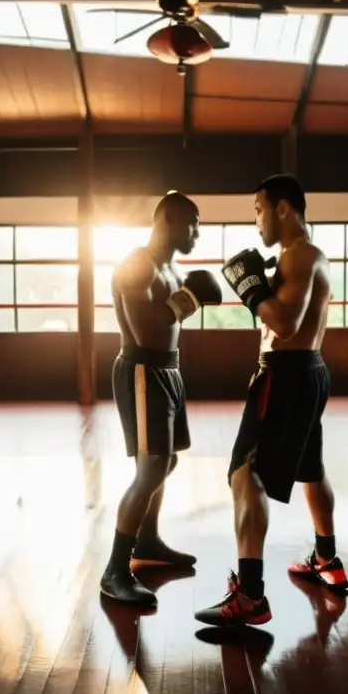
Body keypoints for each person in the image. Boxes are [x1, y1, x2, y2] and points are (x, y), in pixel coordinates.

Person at [195, 174, 348, 627]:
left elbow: (283, 324)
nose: (257, 219)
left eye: (259, 209)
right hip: (306, 371)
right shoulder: (298, 256)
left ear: (284, 208)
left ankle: (250, 594)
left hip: (287, 374)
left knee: (247, 475)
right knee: (310, 468)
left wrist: (253, 291)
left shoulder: (302, 256)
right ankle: (326, 558)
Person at [100, 191, 224, 607]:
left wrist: (187, 296)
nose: (197, 234)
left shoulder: (170, 267)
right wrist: (191, 298)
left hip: (167, 370)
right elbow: (146, 332)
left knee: (165, 461)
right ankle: (115, 570)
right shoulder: (138, 264)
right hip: (142, 368)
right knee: (150, 468)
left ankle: (147, 541)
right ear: (169, 219)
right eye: (194, 224)